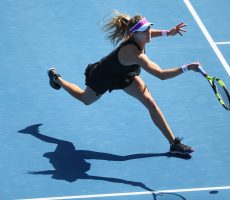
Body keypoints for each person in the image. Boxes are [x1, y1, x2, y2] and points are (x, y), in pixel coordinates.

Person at [47, 11, 201, 155]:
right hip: (103, 75)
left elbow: (149, 34)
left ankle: (173, 143)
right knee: (84, 99)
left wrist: (169, 32)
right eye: (145, 30)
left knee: (150, 103)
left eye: (149, 29)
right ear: (134, 34)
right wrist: (187, 68)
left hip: (125, 74)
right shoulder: (136, 55)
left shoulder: (137, 36)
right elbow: (161, 75)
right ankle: (56, 79)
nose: (149, 33)